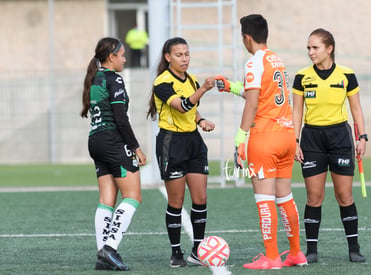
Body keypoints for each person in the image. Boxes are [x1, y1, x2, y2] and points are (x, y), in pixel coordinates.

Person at [215, 14, 307, 270]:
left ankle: (271, 257)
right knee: (285, 197)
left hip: (264, 137)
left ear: (246, 37)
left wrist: (240, 137)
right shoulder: (277, 60)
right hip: (286, 136)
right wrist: (233, 87)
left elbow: (254, 103)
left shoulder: (253, 62)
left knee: (263, 199)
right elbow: (263, 94)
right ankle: (297, 253)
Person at [292, 28, 367, 263]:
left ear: (329, 48)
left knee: (344, 195)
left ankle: (353, 248)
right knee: (314, 197)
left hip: (340, 138)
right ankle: (311, 251)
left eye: (315, 48)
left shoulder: (347, 75)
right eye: (308, 48)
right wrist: (294, 141)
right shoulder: (302, 76)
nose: (310, 52)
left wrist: (362, 136)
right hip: (312, 138)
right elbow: (296, 111)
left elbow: (356, 108)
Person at [146, 37, 216, 267]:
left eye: (186, 54)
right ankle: (176, 253)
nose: (184, 59)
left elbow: (192, 111)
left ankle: (197, 251)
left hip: (194, 142)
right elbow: (183, 105)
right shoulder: (162, 82)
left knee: (201, 198)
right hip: (171, 143)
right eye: (179, 55)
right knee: (176, 200)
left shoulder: (192, 80)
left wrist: (202, 119)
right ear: (168, 57)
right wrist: (204, 89)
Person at [81, 37, 147, 271]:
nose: (125, 59)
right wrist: (136, 147)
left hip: (95, 140)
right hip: (112, 140)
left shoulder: (94, 76)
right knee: (133, 196)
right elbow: (120, 118)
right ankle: (109, 248)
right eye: (122, 55)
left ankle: (103, 254)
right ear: (112, 57)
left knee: (106, 200)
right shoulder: (114, 78)